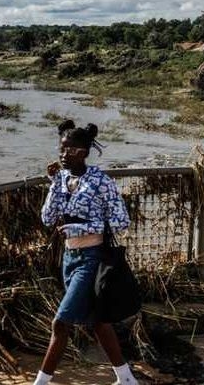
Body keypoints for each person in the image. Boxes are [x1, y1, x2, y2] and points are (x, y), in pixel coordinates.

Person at [33, 120, 137, 385]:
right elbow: (47, 218)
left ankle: (41, 382)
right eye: (61, 148)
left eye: (70, 150)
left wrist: (80, 227)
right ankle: (126, 379)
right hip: (70, 258)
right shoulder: (61, 179)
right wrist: (54, 183)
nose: (64, 154)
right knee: (98, 322)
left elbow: (121, 221)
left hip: (92, 258)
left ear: (84, 152)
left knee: (60, 323)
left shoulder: (101, 181)